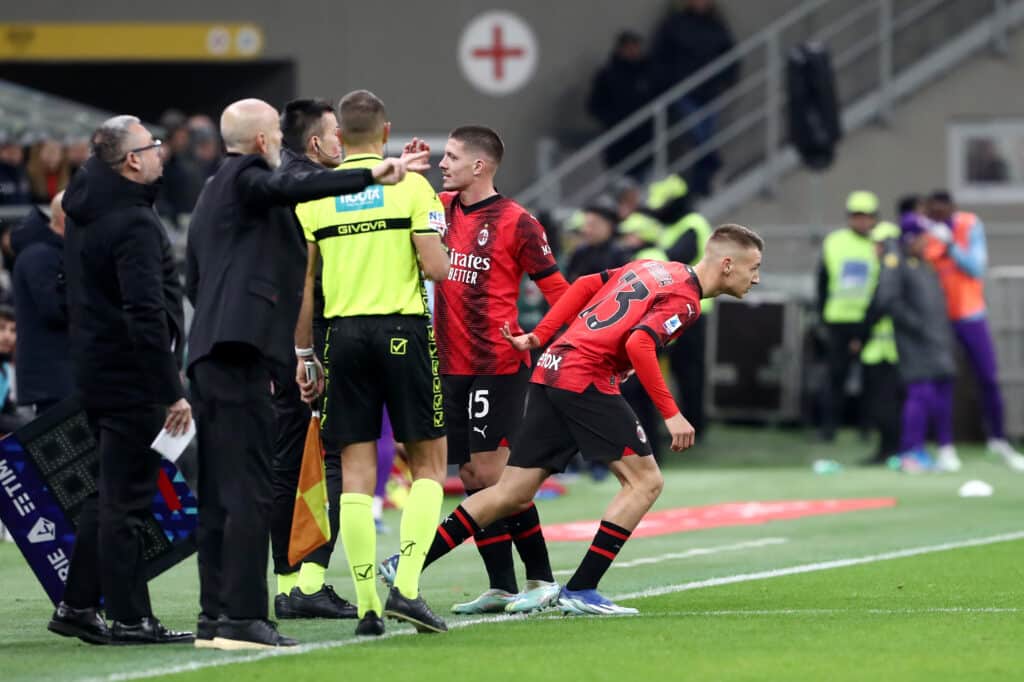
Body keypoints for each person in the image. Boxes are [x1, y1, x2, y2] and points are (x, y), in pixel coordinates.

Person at [389, 224, 763, 614]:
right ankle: (582, 589)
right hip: (585, 377)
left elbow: (585, 285)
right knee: (646, 482)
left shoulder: (654, 267)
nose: (756, 277)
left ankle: (407, 563)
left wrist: (542, 334)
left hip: (551, 367)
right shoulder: (686, 300)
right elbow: (639, 343)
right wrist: (671, 414)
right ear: (726, 264)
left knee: (510, 492)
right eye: (753, 267)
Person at [186, 97, 419, 650]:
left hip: (213, 350)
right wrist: (371, 175)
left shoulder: (214, 188)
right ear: (266, 142)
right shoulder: (250, 177)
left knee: (221, 492)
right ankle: (243, 620)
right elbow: (289, 186)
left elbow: (194, 274)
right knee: (248, 491)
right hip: (239, 353)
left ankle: (215, 618)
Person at [294, 90, 450, 636]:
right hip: (401, 328)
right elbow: (435, 269)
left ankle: (365, 607)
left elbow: (305, 285)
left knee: (355, 474)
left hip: (340, 336)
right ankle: (405, 587)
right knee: (430, 463)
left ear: (341, 138)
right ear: (385, 133)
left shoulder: (316, 194)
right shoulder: (411, 184)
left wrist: (304, 353)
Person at [402, 125, 568, 615]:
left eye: (451, 157)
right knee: (472, 473)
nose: (442, 164)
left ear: (480, 166)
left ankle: (541, 578)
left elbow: (562, 293)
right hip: (447, 361)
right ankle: (501, 585)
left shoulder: (518, 222)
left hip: (497, 364)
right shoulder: (438, 208)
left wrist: (545, 339)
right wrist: (404, 180)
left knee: (496, 474)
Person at [53, 115, 192, 645]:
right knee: (126, 501)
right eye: (152, 146)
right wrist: (170, 389)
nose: (161, 153)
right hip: (131, 376)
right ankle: (131, 617)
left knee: (108, 493)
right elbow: (143, 312)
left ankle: (78, 604)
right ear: (131, 160)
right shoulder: (132, 220)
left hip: (94, 368)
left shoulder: (85, 203)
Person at [262, 98, 356, 622]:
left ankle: (287, 584)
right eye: (336, 135)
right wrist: (306, 352)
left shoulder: (274, 183)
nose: (343, 144)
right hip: (309, 337)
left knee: (286, 462)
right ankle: (309, 584)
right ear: (316, 143)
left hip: (277, 337)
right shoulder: (311, 189)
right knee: (331, 458)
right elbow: (308, 279)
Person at [924, 190, 1024, 469]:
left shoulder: (969, 224)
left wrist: (952, 246)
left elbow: (976, 268)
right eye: (933, 213)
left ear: (952, 209)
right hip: (941, 319)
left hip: (970, 314)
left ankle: (999, 440)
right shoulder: (927, 234)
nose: (938, 218)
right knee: (944, 381)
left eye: (943, 212)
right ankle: (945, 446)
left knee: (988, 377)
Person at [863, 213, 958, 472]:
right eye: (922, 238)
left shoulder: (924, 264)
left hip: (935, 340)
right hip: (915, 342)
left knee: (938, 394)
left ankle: (934, 449)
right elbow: (888, 300)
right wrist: (916, 325)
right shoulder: (899, 264)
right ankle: (910, 451)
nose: (926, 243)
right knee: (920, 394)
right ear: (910, 238)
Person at [651, 0, 739, 196]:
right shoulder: (675, 24)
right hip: (686, 91)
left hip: (710, 91)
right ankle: (712, 166)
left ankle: (703, 181)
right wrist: (669, 83)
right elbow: (662, 56)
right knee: (699, 135)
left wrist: (727, 80)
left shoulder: (716, 25)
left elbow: (729, 54)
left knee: (705, 137)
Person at [816, 191, 880, 442]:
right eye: (857, 216)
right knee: (835, 377)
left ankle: (866, 428)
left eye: (866, 217)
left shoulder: (880, 243)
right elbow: (822, 280)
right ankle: (828, 429)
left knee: (871, 378)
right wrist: (821, 316)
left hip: (869, 321)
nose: (862, 221)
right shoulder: (834, 241)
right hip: (838, 320)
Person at [11, 191, 73, 416]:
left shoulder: (54, 253)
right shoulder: (40, 256)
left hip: (63, 377)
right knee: (64, 450)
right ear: (66, 219)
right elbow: (54, 309)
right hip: (54, 379)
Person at [855, 208, 905, 466]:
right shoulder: (889, 270)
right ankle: (888, 449)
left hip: (887, 350)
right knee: (887, 403)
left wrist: (862, 332)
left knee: (885, 403)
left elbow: (881, 304)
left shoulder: (890, 271)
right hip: (886, 348)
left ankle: (888, 451)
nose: (873, 248)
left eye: (878, 244)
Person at [587, 31, 658, 180]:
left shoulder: (649, 72)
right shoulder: (608, 75)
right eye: (628, 47)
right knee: (620, 183)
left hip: (645, 138)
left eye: (635, 47)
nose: (633, 51)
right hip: (618, 140)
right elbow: (594, 105)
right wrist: (612, 119)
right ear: (620, 49)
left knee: (646, 184)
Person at [565, 204, 630, 282]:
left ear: (609, 226)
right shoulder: (580, 252)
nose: (586, 230)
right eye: (585, 225)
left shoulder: (619, 254)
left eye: (592, 225)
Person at [26, 138, 70, 203]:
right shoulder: (28, 176)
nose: (52, 156)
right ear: (38, 153)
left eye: (55, 152)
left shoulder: (70, 175)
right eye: (49, 152)